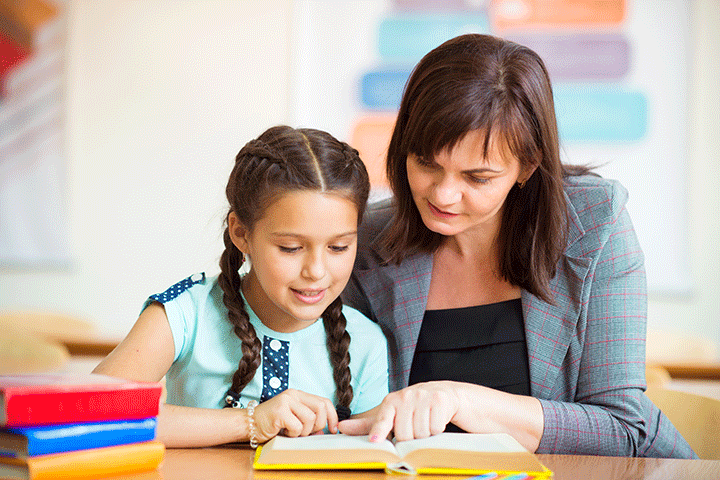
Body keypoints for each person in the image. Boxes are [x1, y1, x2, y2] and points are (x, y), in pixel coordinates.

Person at [338, 34, 695, 459]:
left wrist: (461, 400)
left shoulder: (594, 223)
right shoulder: (366, 242)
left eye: (478, 177)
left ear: (528, 165)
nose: (444, 195)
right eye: (427, 163)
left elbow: (621, 429)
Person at [94, 125, 389, 448]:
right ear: (241, 233)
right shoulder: (184, 313)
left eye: (339, 247)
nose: (316, 271)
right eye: (290, 248)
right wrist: (251, 421)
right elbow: (94, 412)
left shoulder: (365, 341)